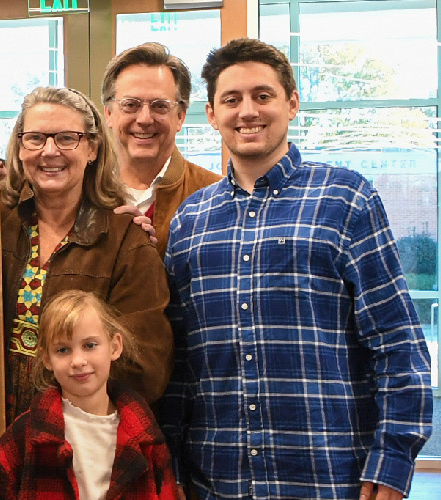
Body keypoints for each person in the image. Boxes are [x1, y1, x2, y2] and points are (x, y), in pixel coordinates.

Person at [162, 38, 432, 500]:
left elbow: (396, 343)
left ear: (291, 104)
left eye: (262, 96)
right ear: (211, 114)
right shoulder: (190, 220)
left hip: (329, 478)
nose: (247, 111)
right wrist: (169, 469)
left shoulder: (346, 199)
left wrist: (393, 459)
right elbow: (182, 366)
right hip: (218, 480)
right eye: (232, 99)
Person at [0, 87, 170, 424]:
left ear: (92, 148)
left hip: (78, 442)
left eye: (66, 138)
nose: (49, 151)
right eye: (35, 138)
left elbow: (148, 362)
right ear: (20, 148)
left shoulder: (125, 240)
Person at [0, 290, 176, 500]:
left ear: (115, 346)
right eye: (63, 350)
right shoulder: (23, 437)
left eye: (90, 345)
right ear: (47, 358)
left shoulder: (146, 437)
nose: (78, 361)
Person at [101, 42, 221, 254]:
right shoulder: (83, 194)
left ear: (180, 116)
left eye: (159, 106)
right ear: (109, 113)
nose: (145, 119)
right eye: (131, 105)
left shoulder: (216, 196)